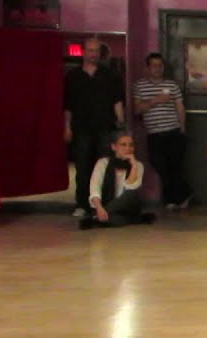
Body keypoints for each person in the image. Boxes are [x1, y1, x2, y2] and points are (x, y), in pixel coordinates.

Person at [65, 36, 124, 218]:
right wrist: (67, 127)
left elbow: (117, 102)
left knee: (105, 166)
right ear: (84, 52)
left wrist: (121, 125)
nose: (93, 54)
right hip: (81, 128)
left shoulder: (110, 76)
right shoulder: (73, 76)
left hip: (105, 128)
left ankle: (103, 203)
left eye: (96, 51)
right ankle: (82, 203)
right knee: (82, 167)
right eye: (90, 50)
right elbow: (68, 106)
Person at [133, 52, 191, 211]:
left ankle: (172, 200)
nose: (158, 69)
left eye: (160, 65)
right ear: (148, 67)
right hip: (154, 134)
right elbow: (137, 109)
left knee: (175, 167)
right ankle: (183, 194)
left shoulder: (171, 85)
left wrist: (182, 129)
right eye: (154, 65)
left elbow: (180, 107)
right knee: (160, 165)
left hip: (173, 131)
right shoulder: (140, 86)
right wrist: (155, 100)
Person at [79, 131, 155, 230]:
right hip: (106, 206)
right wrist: (99, 208)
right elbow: (95, 188)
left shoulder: (138, 166)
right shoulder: (103, 163)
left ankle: (97, 218)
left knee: (131, 194)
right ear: (114, 147)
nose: (128, 148)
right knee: (118, 220)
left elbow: (131, 188)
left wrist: (133, 165)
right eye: (123, 145)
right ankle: (104, 216)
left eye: (131, 145)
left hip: (127, 207)